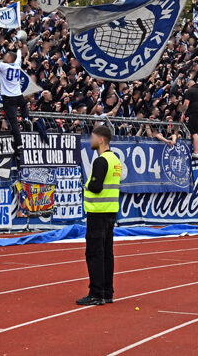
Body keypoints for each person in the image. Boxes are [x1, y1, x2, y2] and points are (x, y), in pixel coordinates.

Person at [77, 125, 122, 306]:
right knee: (107, 253)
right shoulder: (115, 160)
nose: (91, 140)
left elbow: (96, 186)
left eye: (93, 137)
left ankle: (96, 293)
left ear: (101, 139)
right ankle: (107, 292)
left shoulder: (101, 161)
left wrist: (86, 186)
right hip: (110, 210)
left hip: (98, 212)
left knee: (95, 253)